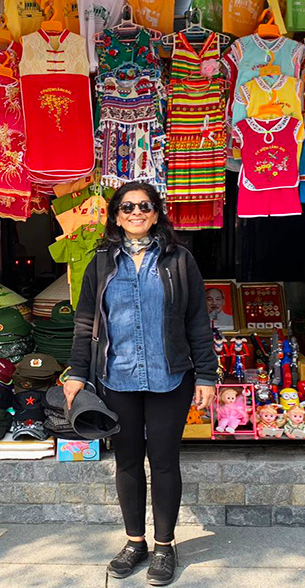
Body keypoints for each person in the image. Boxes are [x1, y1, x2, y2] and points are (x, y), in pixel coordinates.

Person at [63, 182, 217, 586]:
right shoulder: (100, 261)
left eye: (144, 206)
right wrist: (77, 373)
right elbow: (85, 323)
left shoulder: (179, 260)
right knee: (127, 460)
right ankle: (135, 543)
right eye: (127, 207)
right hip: (117, 376)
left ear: (156, 212)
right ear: (115, 215)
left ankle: (164, 546)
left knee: (164, 461)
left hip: (171, 376)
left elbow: (198, 321)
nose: (135, 212)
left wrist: (206, 374)